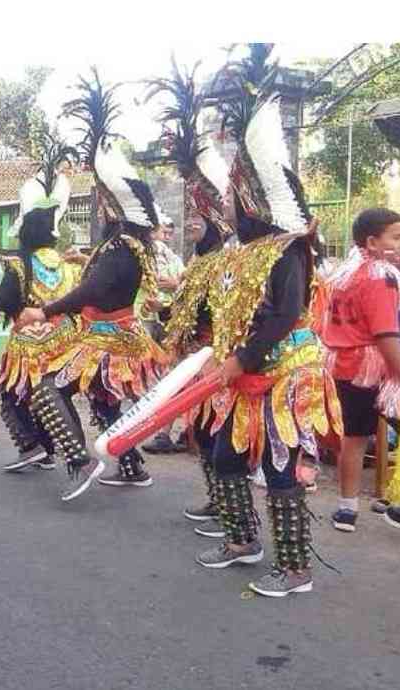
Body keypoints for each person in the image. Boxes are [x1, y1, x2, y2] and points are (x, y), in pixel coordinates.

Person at [190, 57, 341, 597]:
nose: (227, 202)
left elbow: (281, 315)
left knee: (280, 467)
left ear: (256, 195)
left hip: (285, 374)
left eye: (234, 193)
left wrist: (241, 358)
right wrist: (218, 352)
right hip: (245, 368)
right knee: (228, 456)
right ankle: (242, 541)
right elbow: (234, 314)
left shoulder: (289, 249)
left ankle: (296, 568)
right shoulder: (242, 252)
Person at [20, 71, 167, 492]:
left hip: (108, 336)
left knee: (48, 390)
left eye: (103, 197)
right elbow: (102, 282)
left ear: (112, 203)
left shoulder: (121, 244)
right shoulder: (126, 242)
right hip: (114, 333)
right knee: (104, 398)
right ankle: (133, 467)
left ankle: (83, 464)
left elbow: (96, 290)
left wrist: (44, 309)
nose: (99, 203)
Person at [145, 63, 236, 535]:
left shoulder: (231, 260)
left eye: (204, 217)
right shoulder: (201, 259)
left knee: (221, 434)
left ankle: (231, 511)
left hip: (224, 359)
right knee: (202, 432)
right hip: (197, 355)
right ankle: (215, 499)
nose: (195, 223)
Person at [0, 139, 85, 489]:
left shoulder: (19, 264)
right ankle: (49, 450)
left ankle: (35, 447)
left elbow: (5, 298)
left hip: (29, 346)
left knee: (11, 394)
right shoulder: (65, 263)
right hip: (62, 341)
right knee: (46, 397)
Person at [319, 208, 400, 532]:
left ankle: (347, 509)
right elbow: (385, 334)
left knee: (354, 437)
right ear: (372, 241)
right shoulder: (381, 276)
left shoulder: (346, 271)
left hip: (343, 365)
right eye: (396, 237)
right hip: (375, 369)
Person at [140, 217, 187, 454]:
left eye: (170, 233)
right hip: (157, 321)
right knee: (167, 377)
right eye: (163, 231)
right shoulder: (143, 255)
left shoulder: (178, 260)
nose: (165, 237)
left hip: (188, 329)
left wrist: (177, 285)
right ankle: (161, 431)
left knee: (177, 379)